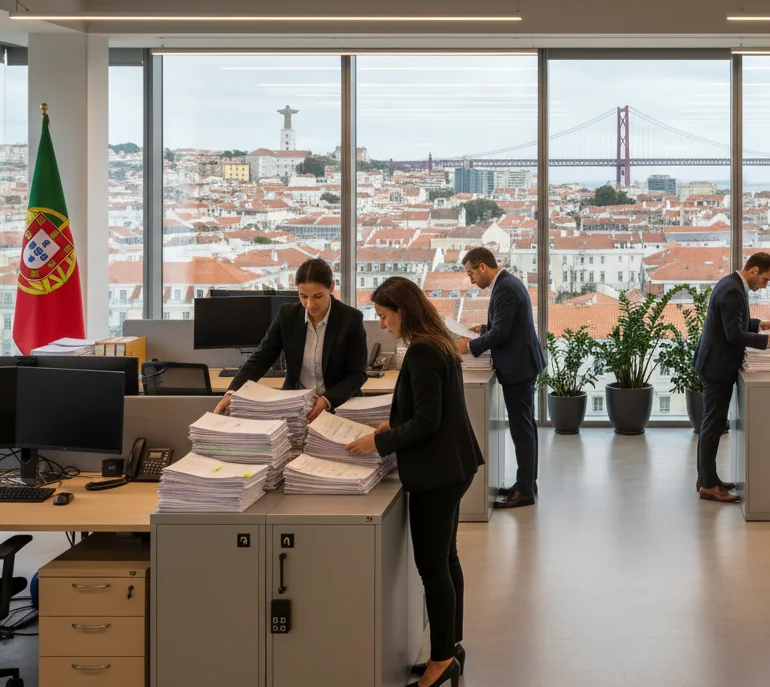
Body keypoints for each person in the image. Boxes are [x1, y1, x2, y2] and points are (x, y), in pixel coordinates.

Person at [346, 277, 483, 687]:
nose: (382, 325)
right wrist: (395, 422)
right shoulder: (436, 340)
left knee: (433, 567)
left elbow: (428, 421)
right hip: (455, 465)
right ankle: (451, 646)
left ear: (402, 311)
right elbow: (429, 409)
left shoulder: (422, 350)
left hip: (437, 472)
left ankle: (441, 662)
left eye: (385, 316)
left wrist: (379, 441)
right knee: (447, 558)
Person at [693, 252, 770, 503]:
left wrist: (759, 325)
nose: (765, 285)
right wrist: (768, 342)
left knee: (712, 423)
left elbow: (736, 322)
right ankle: (707, 484)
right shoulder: (733, 290)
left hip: (715, 362)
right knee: (713, 425)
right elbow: (733, 335)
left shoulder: (731, 283)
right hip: (717, 366)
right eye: (766, 279)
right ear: (754, 270)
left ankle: (708, 478)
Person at [216, 258, 367, 422]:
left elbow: (357, 373)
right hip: (295, 404)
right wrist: (233, 392)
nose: (310, 304)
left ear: (331, 287)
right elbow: (261, 358)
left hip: (338, 403)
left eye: (317, 296)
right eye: (303, 296)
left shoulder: (350, 319)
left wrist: (326, 400)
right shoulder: (287, 315)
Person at [455, 247, 545, 509]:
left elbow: (502, 334)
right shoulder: (507, 282)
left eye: (471, 273)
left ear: (483, 267)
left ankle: (525, 491)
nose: (470, 279)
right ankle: (527, 483)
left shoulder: (504, 287)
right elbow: (506, 323)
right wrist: (482, 329)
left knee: (522, 430)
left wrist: (468, 346)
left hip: (518, 367)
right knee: (526, 427)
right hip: (523, 364)